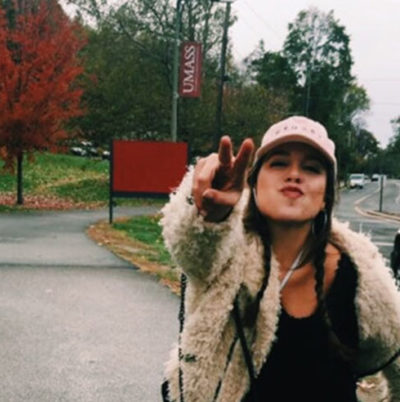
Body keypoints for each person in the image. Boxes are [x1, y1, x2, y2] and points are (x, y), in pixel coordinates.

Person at [160, 116, 400, 402]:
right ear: (254, 183)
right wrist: (207, 215)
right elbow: (192, 246)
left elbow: (394, 350)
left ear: (326, 196)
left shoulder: (360, 272)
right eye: (279, 163)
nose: (294, 174)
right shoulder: (225, 252)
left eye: (311, 168)